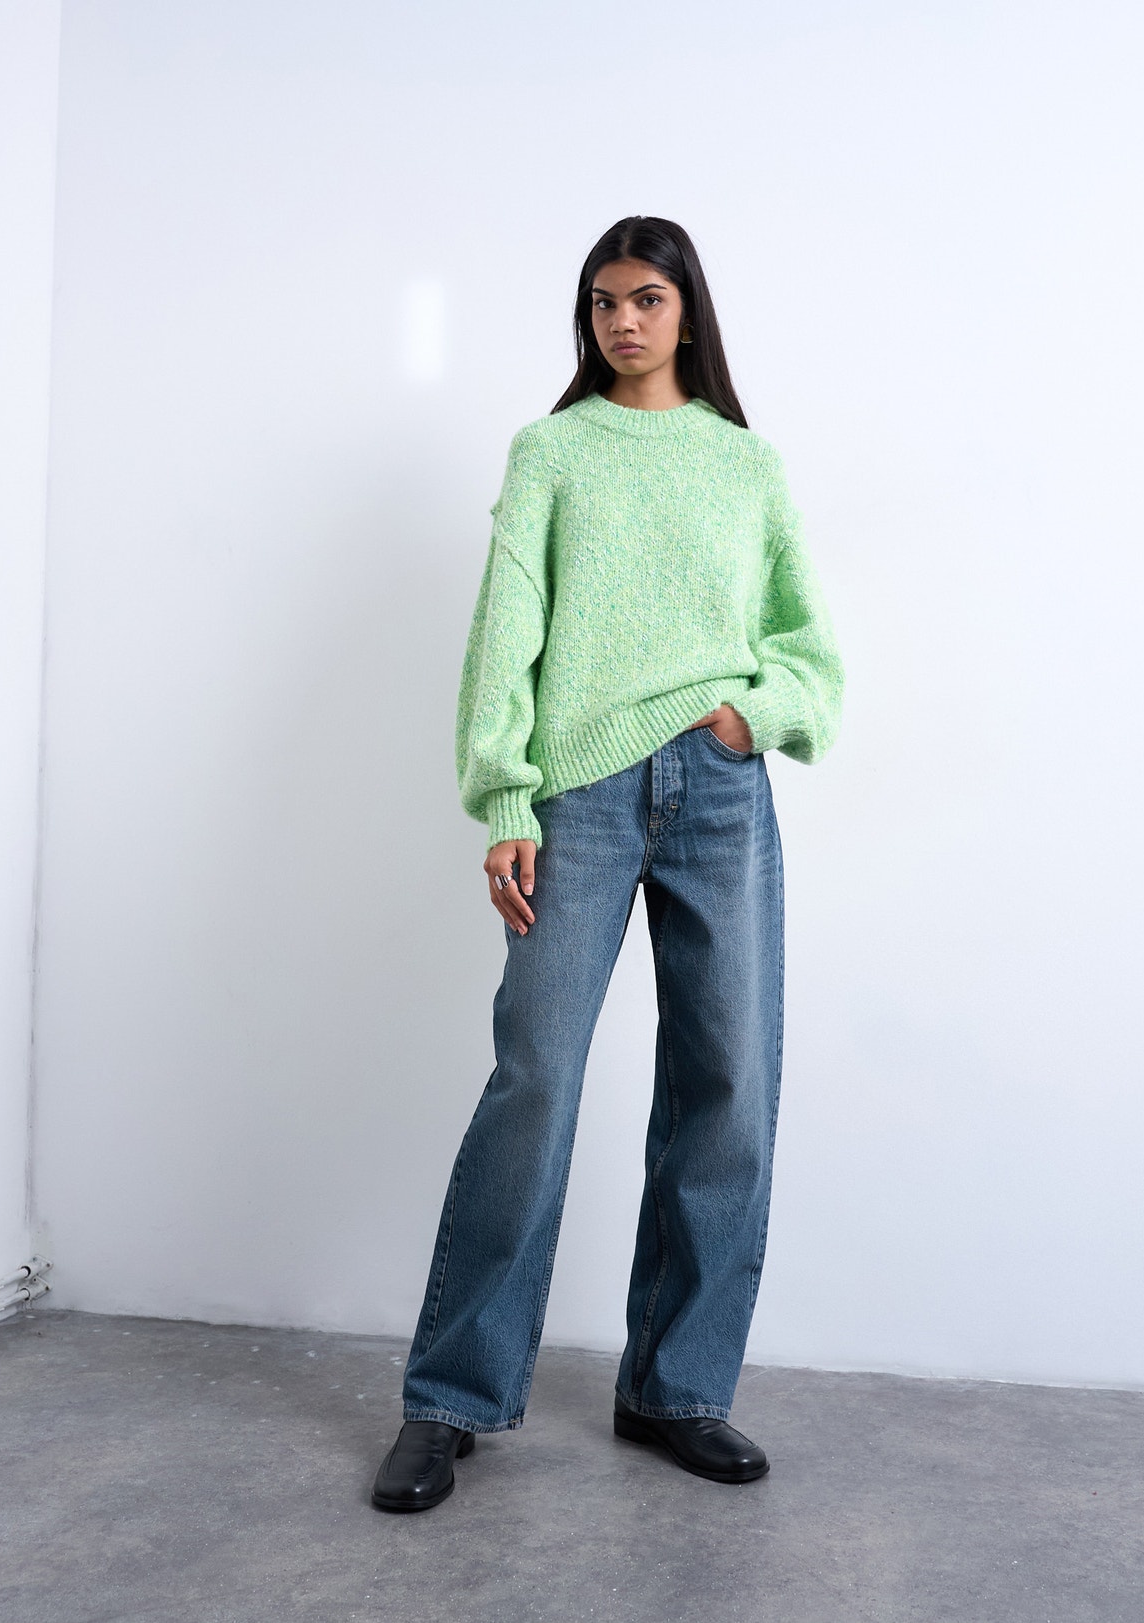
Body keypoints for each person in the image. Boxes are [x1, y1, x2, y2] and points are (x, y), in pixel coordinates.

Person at [371, 215, 844, 1512]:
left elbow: (808, 643)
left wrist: (757, 713)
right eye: (602, 302)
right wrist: (505, 795)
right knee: (535, 1076)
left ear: (688, 310)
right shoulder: (554, 451)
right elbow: (506, 631)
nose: (623, 322)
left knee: (729, 1081)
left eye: (646, 299)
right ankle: (450, 1398)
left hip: (720, 790)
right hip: (576, 795)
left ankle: (677, 1388)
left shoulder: (745, 463)